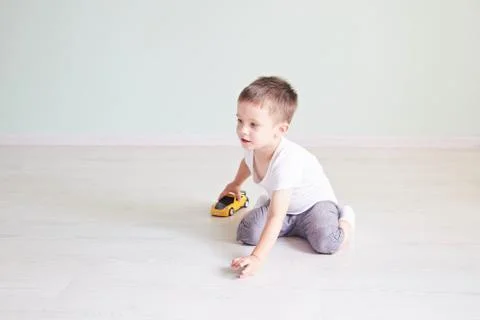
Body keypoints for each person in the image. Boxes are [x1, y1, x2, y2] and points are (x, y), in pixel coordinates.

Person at [218, 76, 356, 278]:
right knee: (247, 233)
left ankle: (345, 218)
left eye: (253, 124)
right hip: (284, 208)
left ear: (280, 130)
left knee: (327, 243)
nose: (242, 130)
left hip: (313, 207)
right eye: (240, 120)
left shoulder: (287, 161)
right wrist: (235, 183)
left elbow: (276, 216)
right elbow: (247, 164)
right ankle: (291, 227)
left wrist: (256, 258)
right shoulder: (253, 145)